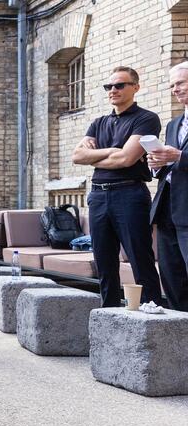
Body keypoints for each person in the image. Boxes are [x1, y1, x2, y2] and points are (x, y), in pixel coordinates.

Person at [72, 66, 164, 308]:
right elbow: (77, 156)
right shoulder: (98, 122)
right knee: (104, 261)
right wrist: (112, 151)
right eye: (109, 86)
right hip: (98, 196)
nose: (113, 90)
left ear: (135, 87)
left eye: (120, 85)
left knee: (139, 259)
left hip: (129, 194)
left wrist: (96, 156)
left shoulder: (146, 119)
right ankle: (109, 313)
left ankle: (151, 313)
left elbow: (126, 159)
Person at [148, 61, 188, 312]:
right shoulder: (173, 124)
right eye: (172, 85)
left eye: (180, 82)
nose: (175, 89)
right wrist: (156, 163)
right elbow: (168, 161)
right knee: (172, 279)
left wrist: (180, 157)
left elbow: (178, 157)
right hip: (166, 211)